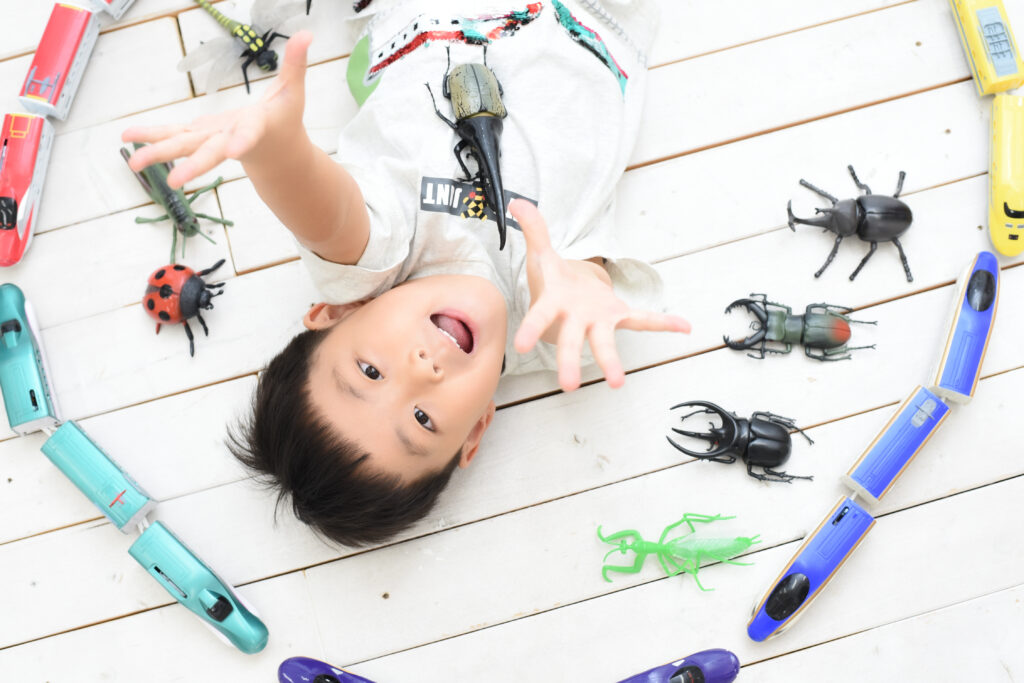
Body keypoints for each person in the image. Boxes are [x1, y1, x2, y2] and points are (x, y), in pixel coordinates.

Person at [122, 0, 689, 547]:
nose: (421, 370)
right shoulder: (542, 327)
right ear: (473, 434)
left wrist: (276, 153)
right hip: (593, 20)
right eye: (421, 419)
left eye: (369, 371)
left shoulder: (382, 262)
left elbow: (329, 216)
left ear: (334, 315)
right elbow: (565, 299)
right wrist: (573, 283)